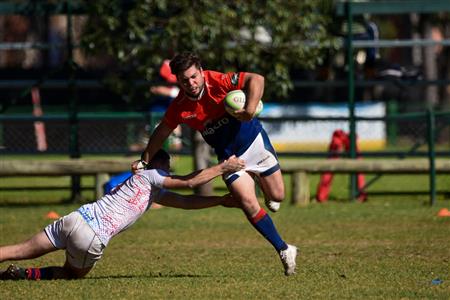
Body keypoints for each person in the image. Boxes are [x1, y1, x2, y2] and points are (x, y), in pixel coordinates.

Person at [131, 52, 297, 276]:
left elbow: (257, 79)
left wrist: (250, 109)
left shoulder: (217, 81)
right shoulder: (179, 106)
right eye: (184, 80)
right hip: (228, 158)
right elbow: (161, 132)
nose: (191, 83)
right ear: (178, 81)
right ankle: (284, 249)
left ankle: (262, 182)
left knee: (277, 196)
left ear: (200, 71)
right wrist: (144, 160)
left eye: (193, 77)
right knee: (247, 202)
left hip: (254, 143)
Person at [0, 150, 244, 280]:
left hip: (76, 218)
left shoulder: (149, 189)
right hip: (91, 237)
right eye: (167, 166)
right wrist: (223, 167)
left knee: (18, 250)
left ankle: (16, 269)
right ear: (160, 165)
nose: (168, 171)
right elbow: (190, 184)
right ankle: (26, 275)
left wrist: (220, 200)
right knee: (71, 274)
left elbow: (187, 203)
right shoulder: (151, 175)